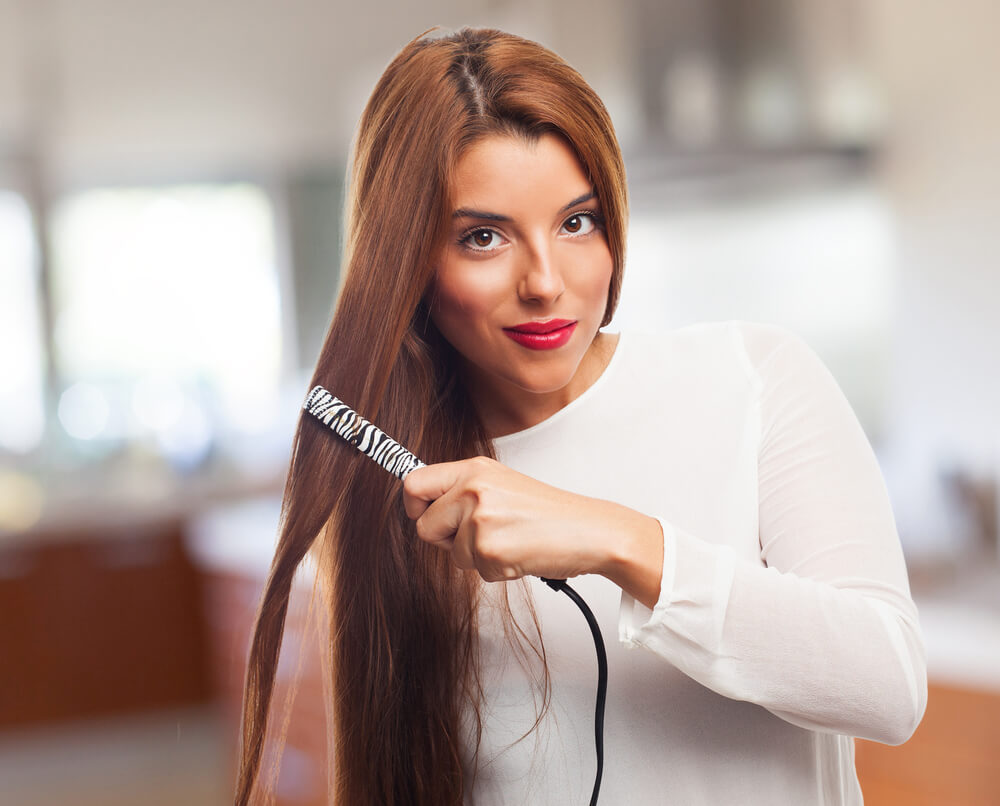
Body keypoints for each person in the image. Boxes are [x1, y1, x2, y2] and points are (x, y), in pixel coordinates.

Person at [235, 27, 927, 805]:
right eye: (483, 237)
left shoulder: (755, 379)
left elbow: (889, 687)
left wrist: (617, 539)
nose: (545, 282)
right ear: (411, 263)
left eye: (577, 222)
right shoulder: (407, 496)